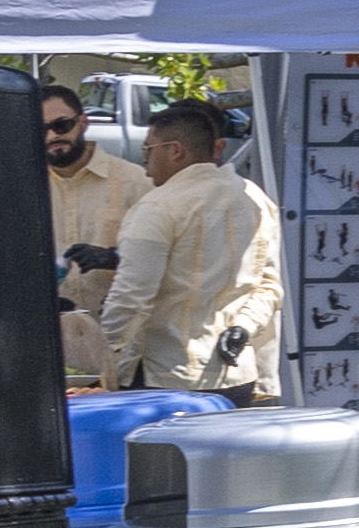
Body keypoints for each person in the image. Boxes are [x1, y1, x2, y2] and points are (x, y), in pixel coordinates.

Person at [93, 98, 286, 397]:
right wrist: (243, 328)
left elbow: (131, 296)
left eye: (148, 149)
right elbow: (269, 288)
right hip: (235, 374)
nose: (144, 160)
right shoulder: (256, 200)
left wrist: (98, 360)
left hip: (169, 378)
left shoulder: (157, 206)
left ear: (175, 151)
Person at [38, 81, 143, 333]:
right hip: (53, 335)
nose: (52, 136)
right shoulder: (25, 186)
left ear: (83, 122)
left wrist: (112, 257)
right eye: (40, 129)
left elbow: (167, 255)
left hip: (119, 336)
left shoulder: (135, 182)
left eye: (61, 125)